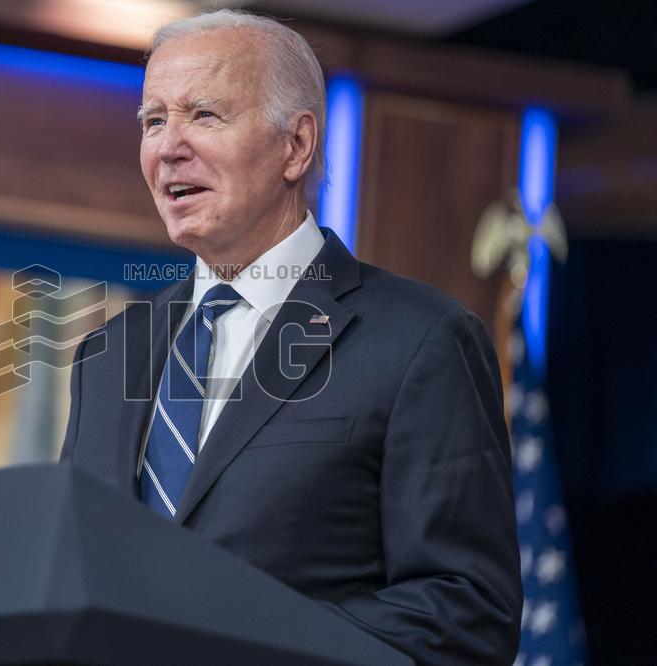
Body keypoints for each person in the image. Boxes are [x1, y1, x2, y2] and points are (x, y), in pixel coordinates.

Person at [59, 10, 521, 664]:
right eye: (153, 119)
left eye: (205, 115)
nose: (167, 146)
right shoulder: (107, 356)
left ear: (296, 146)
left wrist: (242, 637)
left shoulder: (421, 341)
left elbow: (468, 611)